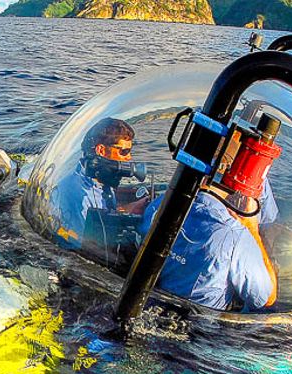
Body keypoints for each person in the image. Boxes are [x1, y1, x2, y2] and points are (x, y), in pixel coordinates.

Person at [138, 182, 279, 312]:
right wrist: (252, 229)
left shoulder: (160, 205)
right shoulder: (236, 235)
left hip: (151, 306)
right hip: (203, 325)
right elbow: (265, 298)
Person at [49, 118, 147, 249]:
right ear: (101, 150)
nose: (129, 158)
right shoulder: (79, 195)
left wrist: (131, 209)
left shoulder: (100, 182)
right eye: (123, 151)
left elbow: (102, 215)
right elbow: (85, 247)